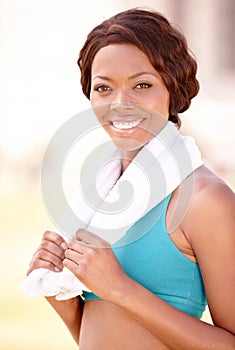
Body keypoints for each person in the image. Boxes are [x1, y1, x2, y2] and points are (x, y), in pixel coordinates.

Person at [26, 8, 235, 349]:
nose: (120, 104)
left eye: (141, 85)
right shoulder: (102, 196)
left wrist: (118, 287)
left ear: (173, 89)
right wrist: (62, 298)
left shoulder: (205, 200)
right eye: (103, 88)